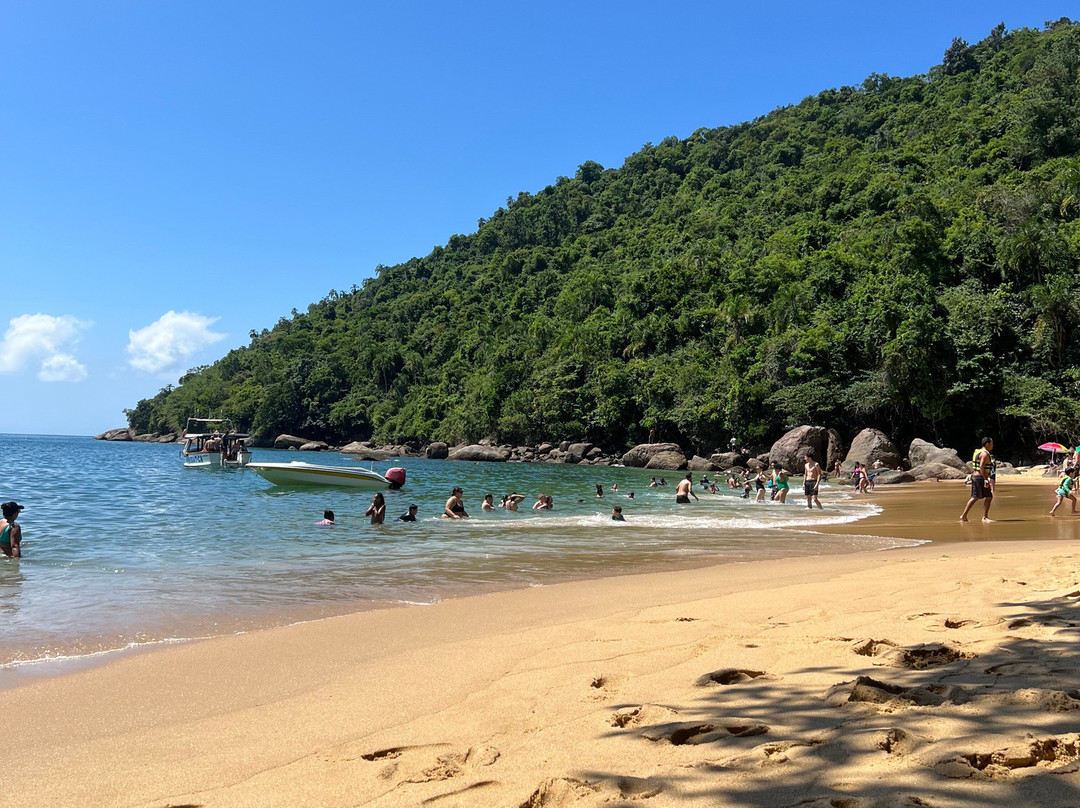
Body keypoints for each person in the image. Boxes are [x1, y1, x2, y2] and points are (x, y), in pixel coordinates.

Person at [961, 437, 995, 523]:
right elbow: (981, 466)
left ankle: (983, 517)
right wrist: (985, 479)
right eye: (991, 443)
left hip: (976, 477)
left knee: (988, 496)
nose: (992, 445)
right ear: (987, 444)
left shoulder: (977, 451)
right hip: (980, 478)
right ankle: (966, 515)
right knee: (975, 497)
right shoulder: (985, 454)